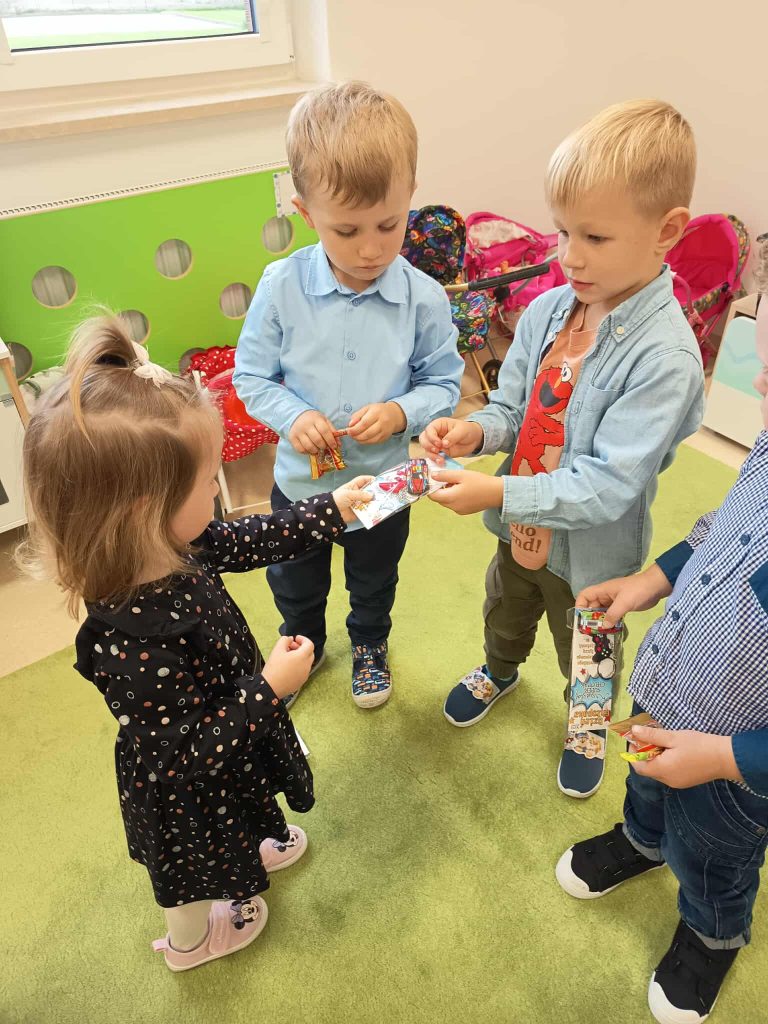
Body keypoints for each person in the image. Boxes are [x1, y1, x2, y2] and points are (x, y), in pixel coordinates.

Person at [18, 314, 371, 970]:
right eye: (209, 481)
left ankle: (250, 848)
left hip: (231, 740)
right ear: (143, 510)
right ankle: (188, 944)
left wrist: (335, 510)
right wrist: (271, 689)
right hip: (187, 789)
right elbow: (184, 752)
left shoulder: (177, 542)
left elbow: (255, 538)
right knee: (191, 874)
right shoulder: (125, 641)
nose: (218, 491)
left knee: (243, 807)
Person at [421, 100, 704, 798]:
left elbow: (608, 485)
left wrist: (497, 490)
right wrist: (476, 432)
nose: (569, 256)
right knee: (505, 608)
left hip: (594, 553)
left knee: (589, 645)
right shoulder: (549, 310)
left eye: (595, 237)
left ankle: (587, 722)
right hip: (520, 529)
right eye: (563, 231)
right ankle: (499, 670)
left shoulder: (666, 359)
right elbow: (512, 408)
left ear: (667, 232)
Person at [555, 232, 768, 1024]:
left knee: (712, 858)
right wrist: (652, 579)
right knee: (644, 781)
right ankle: (641, 840)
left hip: (736, 764)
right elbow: (723, 527)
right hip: (667, 685)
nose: (762, 382)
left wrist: (723, 758)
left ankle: (712, 935)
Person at [233, 81, 463, 710]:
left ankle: (369, 644)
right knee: (294, 579)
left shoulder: (423, 298)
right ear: (306, 214)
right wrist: (293, 416)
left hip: (385, 483)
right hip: (301, 484)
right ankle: (301, 645)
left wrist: (400, 412)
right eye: (347, 229)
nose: (371, 248)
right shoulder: (281, 286)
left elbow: (445, 384)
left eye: (389, 224)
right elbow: (251, 377)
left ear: (410, 196)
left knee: (374, 577)